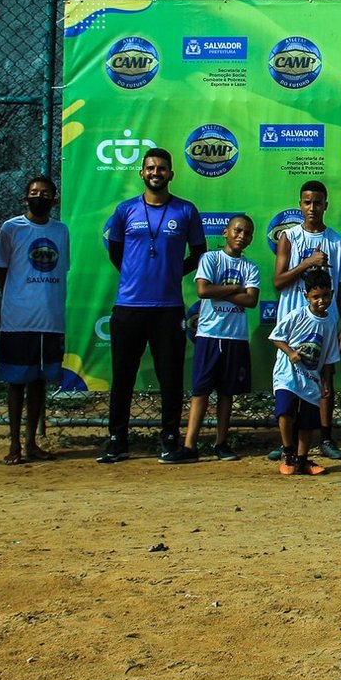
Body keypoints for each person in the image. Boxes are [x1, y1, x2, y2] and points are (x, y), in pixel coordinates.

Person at [99, 148, 206, 463]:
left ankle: (170, 440)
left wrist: (172, 272)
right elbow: (116, 251)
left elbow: (198, 253)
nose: (155, 172)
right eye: (150, 168)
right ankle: (117, 440)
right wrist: (134, 274)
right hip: (129, 306)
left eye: (161, 168)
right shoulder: (125, 210)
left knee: (170, 377)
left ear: (171, 174)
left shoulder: (186, 210)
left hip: (168, 307)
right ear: (141, 173)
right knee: (123, 376)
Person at [168, 214, 259, 463]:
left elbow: (251, 300)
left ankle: (221, 443)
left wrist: (219, 290)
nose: (241, 236)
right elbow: (203, 290)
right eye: (237, 230)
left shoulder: (251, 267)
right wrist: (235, 288)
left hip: (235, 337)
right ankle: (190, 446)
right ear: (225, 232)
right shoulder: (210, 259)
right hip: (209, 335)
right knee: (201, 391)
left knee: (227, 392)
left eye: (247, 233)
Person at [272, 179, 341, 461]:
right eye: (307, 202)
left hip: (325, 321)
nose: (312, 207)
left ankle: (326, 438)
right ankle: (288, 442)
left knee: (325, 376)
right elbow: (278, 281)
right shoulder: (289, 237)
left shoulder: (337, 241)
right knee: (289, 378)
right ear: (300, 205)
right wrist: (306, 263)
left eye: (317, 202)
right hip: (293, 321)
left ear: (326, 205)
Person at [0, 175, 65, 466]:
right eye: (34, 192)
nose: (39, 197)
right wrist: (17, 297)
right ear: (25, 198)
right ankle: (14, 444)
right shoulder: (11, 228)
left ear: (54, 200)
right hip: (18, 321)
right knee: (16, 382)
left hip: (50, 320)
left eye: (45, 193)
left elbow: (61, 269)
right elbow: (1, 269)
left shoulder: (61, 231)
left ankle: (31, 442)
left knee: (39, 382)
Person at [269, 267, 340, 476]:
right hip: (288, 375)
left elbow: (329, 355)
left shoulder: (330, 322)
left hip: (311, 378)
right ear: (306, 296)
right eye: (316, 297)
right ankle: (288, 452)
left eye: (325, 296)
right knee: (285, 411)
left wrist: (325, 381)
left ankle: (302, 459)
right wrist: (291, 353)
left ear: (332, 294)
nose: (321, 301)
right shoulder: (297, 315)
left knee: (308, 421)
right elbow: (276, 337)